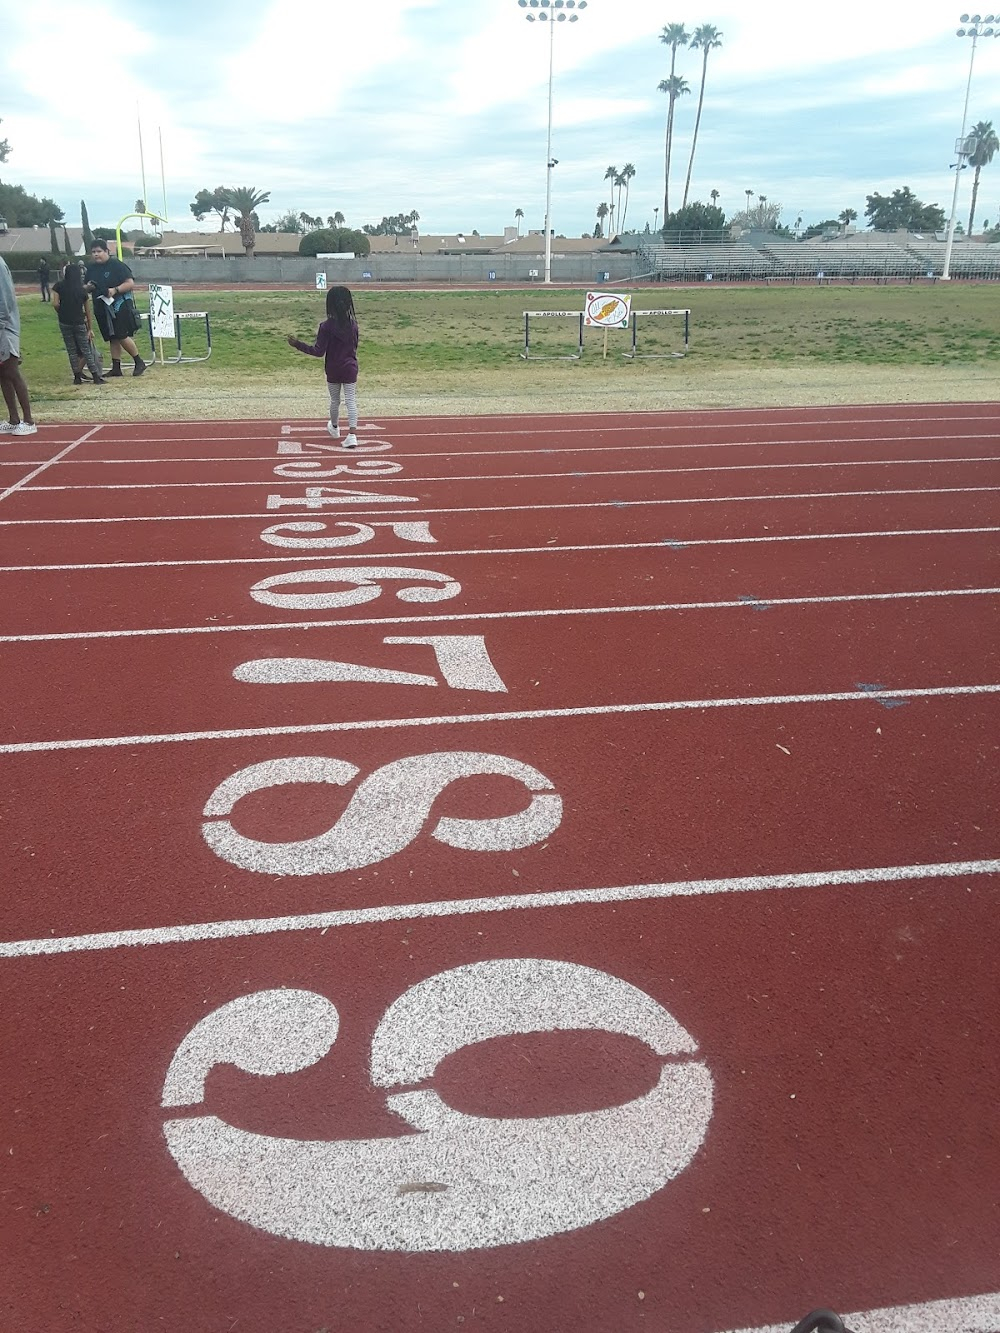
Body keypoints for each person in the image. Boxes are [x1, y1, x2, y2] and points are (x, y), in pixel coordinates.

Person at [287, 285, 359, 447]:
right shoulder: (353, 325)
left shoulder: (326, 327)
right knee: (351, 400)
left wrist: (298, 344)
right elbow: (355, 347)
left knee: (335, 400)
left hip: (333, 368)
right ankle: (352, 434)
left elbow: (318, 351)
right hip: (350, 367)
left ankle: (334, 427)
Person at [83, 239, 146, 377]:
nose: (96, 254)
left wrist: (115, 290)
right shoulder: (91, 268)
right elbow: (86, 285)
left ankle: (139, 361)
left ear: (107, 251)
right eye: (93, 252)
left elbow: (130, 283)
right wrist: (88, 288)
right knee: (112, 337)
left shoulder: (117, 265)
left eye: (99, 251)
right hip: (101, 305)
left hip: (119, 304)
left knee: (121, 334)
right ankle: (116, 367)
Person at [52, 262, 107, 385]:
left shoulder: (58, 286)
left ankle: (77, 376)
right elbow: (88, 311)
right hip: (79, 321)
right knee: (86, 349)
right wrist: (90, 329)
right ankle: (95, 376)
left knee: (71, 350)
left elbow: (55, 303)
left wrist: (61, 312)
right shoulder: (81, 290)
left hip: (64, 321)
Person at [0, 255, 37, 436]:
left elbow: (5, 302)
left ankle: (29, 420)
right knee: (3, 374)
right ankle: (14, 419)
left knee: (12, 371)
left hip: (5, 328)